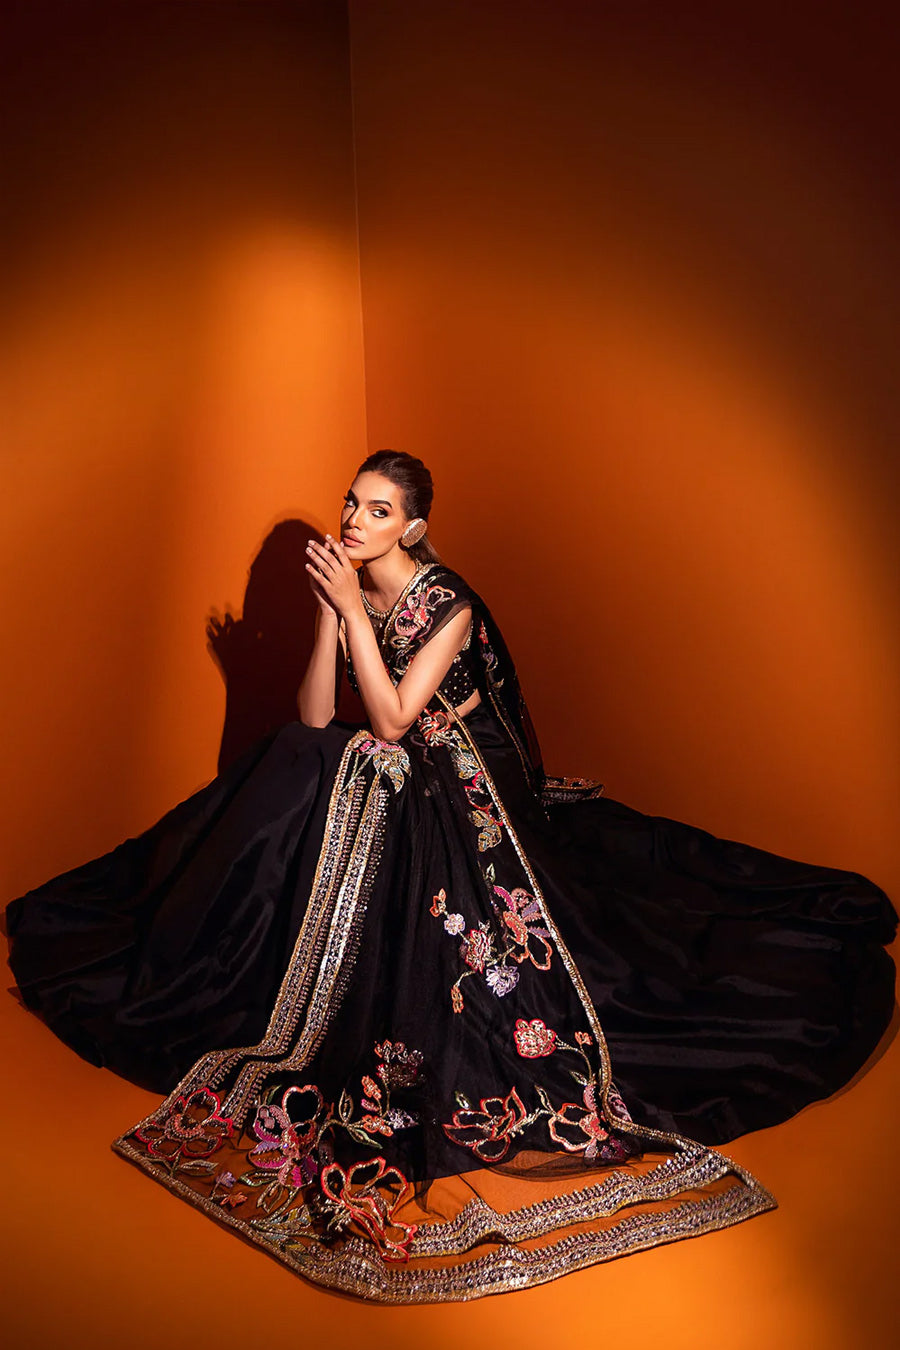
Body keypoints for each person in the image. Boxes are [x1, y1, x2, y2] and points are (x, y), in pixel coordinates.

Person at [5, 450, 896, 1303]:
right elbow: (319, 717)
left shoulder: (449, 607)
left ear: (415, 528)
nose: (354, 520)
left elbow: (391, 722)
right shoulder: (355, 584)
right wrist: (331, 612)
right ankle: (229, 945)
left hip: (474, 769)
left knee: (396, 815)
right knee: (296, 760)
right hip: (405, 753)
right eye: (351, 503)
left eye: (378, 511)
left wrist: (355, 616)